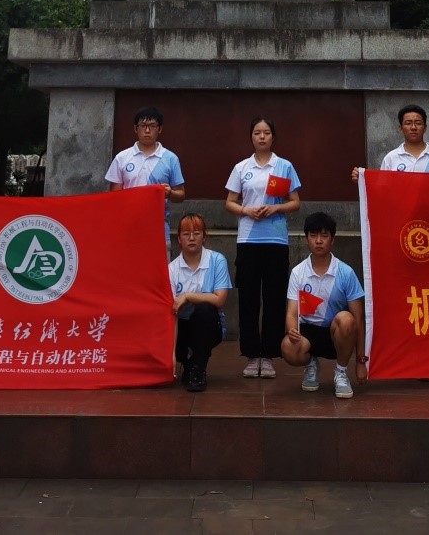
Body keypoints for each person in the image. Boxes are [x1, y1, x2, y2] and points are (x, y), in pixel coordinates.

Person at [225, 115, 301, 378]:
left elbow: (295, 202)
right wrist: (246, 211)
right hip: (248, 240)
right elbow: (229, 202)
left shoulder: (284, 166)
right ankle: (251, 355)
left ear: (273, 136)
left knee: (274, 298)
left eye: (266, 132)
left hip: (276, 240)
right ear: (251, 136)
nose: (262, 137)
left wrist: (276, 208)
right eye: (257, 132)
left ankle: (268, 355)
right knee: (248, 298)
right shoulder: (241, 167)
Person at [281, 211, 366, 399]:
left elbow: (359, 319)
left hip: (335, 334)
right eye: (313, 235)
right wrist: (291, 330)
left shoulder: (346, 272)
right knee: (287, 347)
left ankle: (341, 372)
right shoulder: (298, 272)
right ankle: (310, 364)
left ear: (332, 239)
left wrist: (361, 361)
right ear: (306, 239)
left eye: (324, 236)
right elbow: (291, 313)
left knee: (347, 319)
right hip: (308, 333)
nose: (318, 241)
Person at [168, 212, 232, 393]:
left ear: (204, 237)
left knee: (205, 309)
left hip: (209, 325)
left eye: (196, 233)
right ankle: (188, 362)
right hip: (181, 328)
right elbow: (172, 313)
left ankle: (197, 369)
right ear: (179, 239)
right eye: (186, 234)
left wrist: (188, 296)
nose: (191, 238)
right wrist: (171, 355)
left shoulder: (217, 260)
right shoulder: (172, 269)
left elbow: (219, 299)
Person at [106, 105, 185, 250]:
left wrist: (170, 193)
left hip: (159, 227)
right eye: (143, 125)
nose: (147, 130)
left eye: (152, 126)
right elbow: (114, 197)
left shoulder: (170, 158)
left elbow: (181, 194)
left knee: (158, 264)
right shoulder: (122, 158)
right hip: (128, 226)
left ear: (160, 129)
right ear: (135, 129)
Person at [351, 103, 429, 182]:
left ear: (425, 128)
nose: (413, 127)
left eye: (418, 123)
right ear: (401, 128)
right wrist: (362, 179)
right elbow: (381, 189)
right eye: (408, 123)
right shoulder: (391, 158)